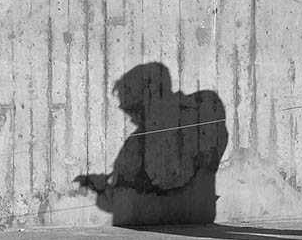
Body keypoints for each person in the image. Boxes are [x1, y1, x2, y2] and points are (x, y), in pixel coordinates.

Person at [74, 62, 228, 227]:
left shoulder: (187, 116)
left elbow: (167, 179)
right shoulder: (144, 136)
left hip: (175, 225)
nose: (123, 108)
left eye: (129, 103)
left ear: (148, 92)